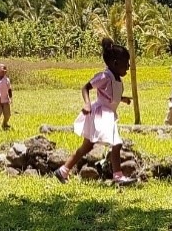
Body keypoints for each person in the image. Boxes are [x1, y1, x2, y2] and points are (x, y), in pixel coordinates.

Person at [54, 37, 136, 185]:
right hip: (101, 114)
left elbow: (110, 95)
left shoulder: (116, 78)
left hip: (107, 113)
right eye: (126, 64)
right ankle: (118, 176)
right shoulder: (104, 76)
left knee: (87, 146)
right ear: (116, 63)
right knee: (116, 143)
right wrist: (87, 104)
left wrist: (122, 99)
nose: (128, 67)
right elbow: (85, 87)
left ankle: (63, 170)